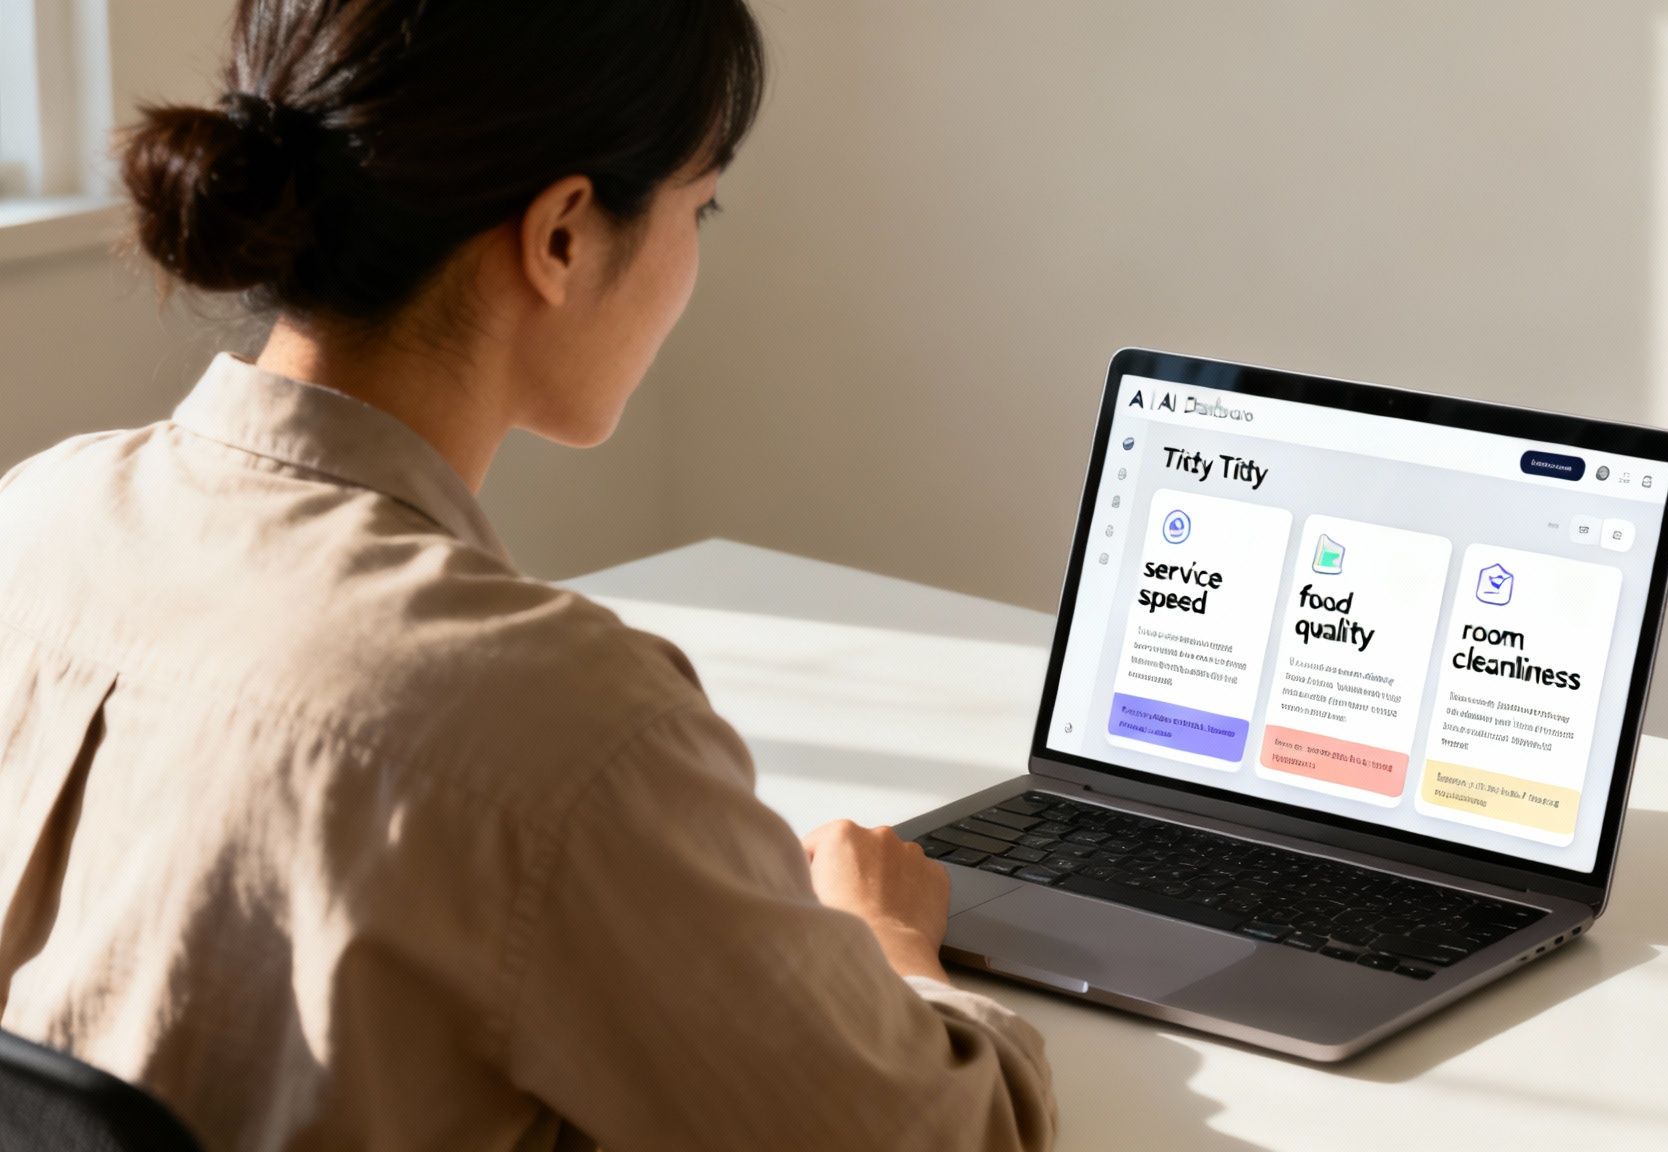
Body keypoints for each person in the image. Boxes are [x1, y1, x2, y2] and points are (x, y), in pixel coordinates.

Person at [0, 2, 1055, 1149]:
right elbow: (949, 1137)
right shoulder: (557, 719)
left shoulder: (36, 517)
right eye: (697, 208)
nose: (694, 252)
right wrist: (888, 948)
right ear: (562, 235)